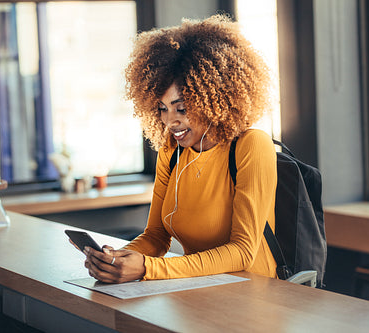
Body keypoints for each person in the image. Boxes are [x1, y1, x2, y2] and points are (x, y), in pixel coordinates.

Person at [83, 14, 278, 283]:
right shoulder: (171, 152)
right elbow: (155, 237)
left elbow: (242, 253)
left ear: (215, 100)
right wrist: (118, 260)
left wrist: (148, 269)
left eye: (182, 109)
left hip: (252, 295)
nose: (169, 121)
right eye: (162, 108)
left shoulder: (251, 145)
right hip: (194, 293)